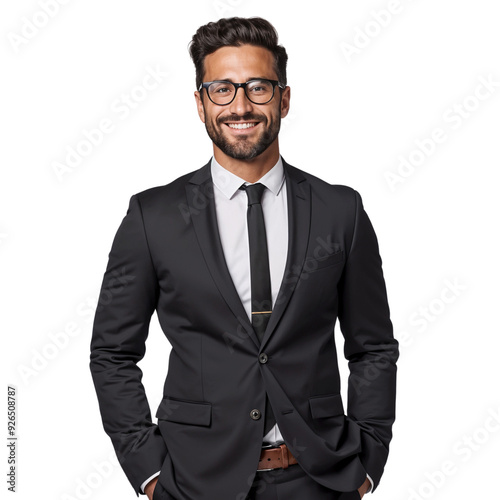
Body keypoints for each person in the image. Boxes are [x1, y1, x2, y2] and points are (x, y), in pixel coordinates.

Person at [89, 16, 399, 500]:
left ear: (284, 98)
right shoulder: (154, 217)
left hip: (319, 479)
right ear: (200, 103)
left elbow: (373, 347)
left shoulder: (341, 211)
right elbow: (112, 353)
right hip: (195, 483)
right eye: (222, 89)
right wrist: (149, 472)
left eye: (257, 87)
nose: (240, 106)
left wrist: (369, 461)